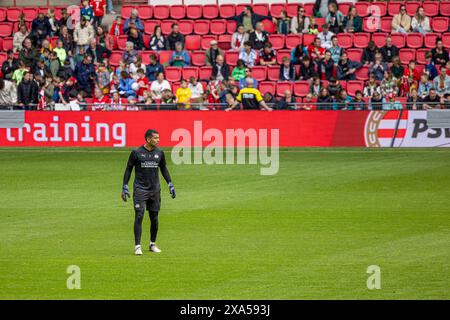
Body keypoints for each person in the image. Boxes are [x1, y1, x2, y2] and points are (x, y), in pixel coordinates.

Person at [121, 129, 176, 256]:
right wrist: (124, 185)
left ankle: (152, 244)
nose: (158, 140)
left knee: (154, 218)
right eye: (156, 138)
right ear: (148, 139)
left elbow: (164, 169)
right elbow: (128, 169)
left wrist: (170, 184)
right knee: (139, 215)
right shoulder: (136, 153)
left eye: (158, 137)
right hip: (140, 189)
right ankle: (137, 246)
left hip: (155, 190)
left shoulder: (160, 153)